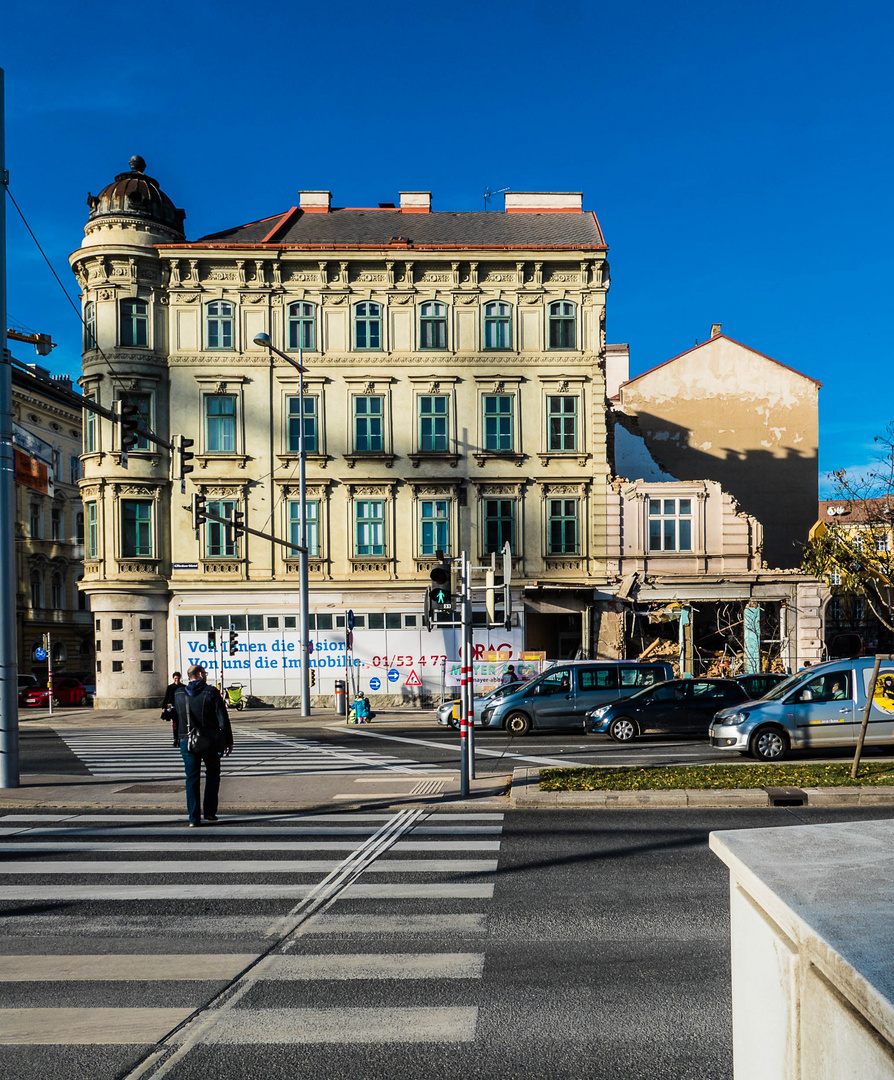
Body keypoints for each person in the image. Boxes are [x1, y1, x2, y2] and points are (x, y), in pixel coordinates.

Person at [173, 664, 233, 827]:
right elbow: (222, 718)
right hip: (210, 741)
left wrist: (177, 738)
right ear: (200, 675)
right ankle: (209, 812)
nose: (205, 676)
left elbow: (177, 719)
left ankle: (193, 818)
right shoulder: (211, 692)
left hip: (187, 741)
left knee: (191, 779)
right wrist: (228, 740)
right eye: (204, 673)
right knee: (213, 775)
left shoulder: (178, 693)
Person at [161, 671, 183, 746]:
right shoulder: (170, 687)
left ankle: (179, 739)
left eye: (178, 679)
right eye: (175, 679)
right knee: (175, 724)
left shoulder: (183, 687)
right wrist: (164, 707)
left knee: (181, 724)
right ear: (173, 678)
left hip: (180, 707)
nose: (177, 680)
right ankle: (175, 739)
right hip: (172, 707)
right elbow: (167, 698)